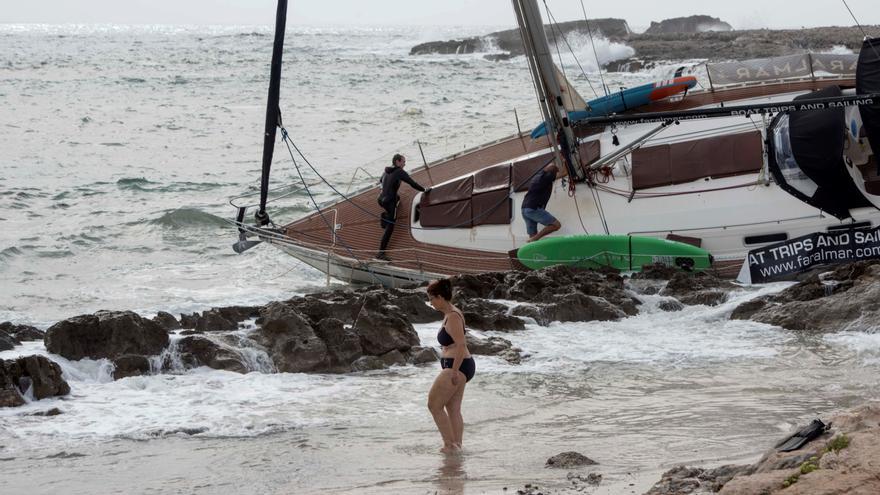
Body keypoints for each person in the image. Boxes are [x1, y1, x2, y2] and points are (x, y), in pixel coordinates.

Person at [426, 278, 475, 454]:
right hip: (462, 365)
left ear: (440, 297)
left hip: (458, 366)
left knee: (434, 405)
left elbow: (461, 345)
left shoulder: (453, 316)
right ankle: (457, 446)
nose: (430, 303)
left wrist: (454, 371)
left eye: (431, 298)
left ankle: (449, 445)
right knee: (452, 408)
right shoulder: (450, 314)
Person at [376, 153, 429, 261]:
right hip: (389, 202)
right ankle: (380, 253)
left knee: (398, 198)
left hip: (380, 199)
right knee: (391, 226)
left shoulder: (386, 170)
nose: (405, 163)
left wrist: (383, 190)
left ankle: (386, 214)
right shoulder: (400, 172)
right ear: (398, 162)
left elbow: (381, 181)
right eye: (403, 161)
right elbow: (412, 183)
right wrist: (424, 190)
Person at [521, 162, 565, 242]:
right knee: (556, 225)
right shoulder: (547, 177)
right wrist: (565, 161)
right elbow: (564, 173)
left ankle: (532, 247)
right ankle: (535, 238)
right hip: (533, 208)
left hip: (524, 209)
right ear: (552, 173)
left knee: (532, 235)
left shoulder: (537, 176)